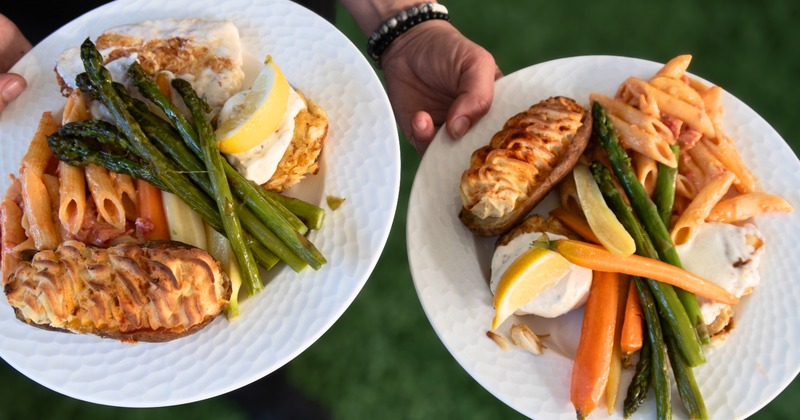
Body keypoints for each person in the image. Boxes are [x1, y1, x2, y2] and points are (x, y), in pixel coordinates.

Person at [0, 1, 499, 154]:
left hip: (275, 27)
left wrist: (399, 20)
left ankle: (268, 383)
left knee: (267, 316)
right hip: (50, 33)